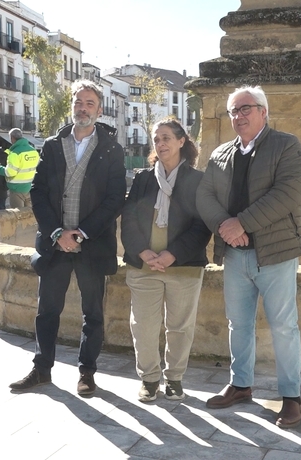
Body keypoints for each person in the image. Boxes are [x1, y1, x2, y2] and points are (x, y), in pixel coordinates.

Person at [196, 85, 301, 429]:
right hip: (236, 256)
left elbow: (286, 195)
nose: (238, 116)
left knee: (284, 328)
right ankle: (241, 385)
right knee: (238, 324)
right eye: (233, 111)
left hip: (275, 254)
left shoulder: (286, 146)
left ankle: (291, 397)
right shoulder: (220, 154)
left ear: (263, 111)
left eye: (245, 108)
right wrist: (226, 228)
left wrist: (239, 223)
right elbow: (205, 195)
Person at [9, 80, 126, 397]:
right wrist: (58, 232)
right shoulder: (51, 145)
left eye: (89, 103)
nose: (83, 108)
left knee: (93, 314)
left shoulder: (111, 149)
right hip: (54, 244)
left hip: (93, 243)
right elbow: (38, 191)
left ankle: (87, 373)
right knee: (46, 311)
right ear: (72, 106)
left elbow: (115, 198)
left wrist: (82, 232)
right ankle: (42, 369)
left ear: (99, 110)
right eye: (78, 102)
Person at [121, 118, 211, 403]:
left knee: (180, 326)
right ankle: (149, 379)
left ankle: (174, 378)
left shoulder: (198, 180)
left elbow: (202, 226)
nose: (161, 144)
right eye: (157, 139)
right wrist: (143, 252)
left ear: (182, 141)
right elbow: (129, 219)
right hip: (145, 266)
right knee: (143, 325)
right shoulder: (143, 179)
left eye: (166, 138)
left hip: (183, 267)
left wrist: (173, 254)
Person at [0, 128, 39, 210]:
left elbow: (10, 172)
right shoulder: (33, 151)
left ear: (12, 138)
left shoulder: (14, 153)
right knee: (29, 215)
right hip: (29, 187)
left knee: (17, 216)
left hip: (17, 189)